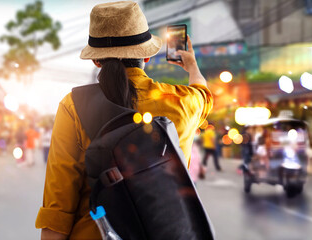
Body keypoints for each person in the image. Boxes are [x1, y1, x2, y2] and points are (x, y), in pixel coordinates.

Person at [36, 2, 213, 239]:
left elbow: (58, 207)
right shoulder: (183, 102)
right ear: (147, 56)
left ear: (96, 61)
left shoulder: (73, 106)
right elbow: (204, 94)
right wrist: (191, 66)